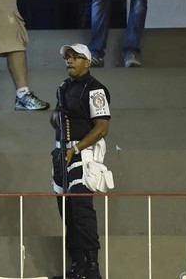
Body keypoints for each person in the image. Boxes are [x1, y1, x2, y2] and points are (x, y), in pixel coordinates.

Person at [50, 43, 111, 279]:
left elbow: (102, 127)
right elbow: (55, 119)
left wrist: (75, 148)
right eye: (67, 57)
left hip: (82, 155)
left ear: (87, 62)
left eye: (75, 57)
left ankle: (92, 269)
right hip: (61, 154)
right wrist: (56, 117)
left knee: (81, 212)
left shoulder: (95, 90)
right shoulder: (64, 87)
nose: (70, 61)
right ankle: (77, 267)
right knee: (67, 212)